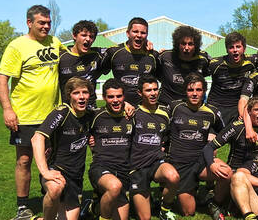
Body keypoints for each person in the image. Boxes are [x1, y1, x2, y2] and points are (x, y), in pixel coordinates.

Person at [0, 4, 65, 220]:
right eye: (41, 23)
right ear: (29, 23)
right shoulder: (17, 46)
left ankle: (52, 199)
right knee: (24, 160)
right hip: (25, 116)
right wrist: (7, 109)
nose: (46, 27)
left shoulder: (55, 43)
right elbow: (1, 78)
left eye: (48, 23)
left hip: (52, 116)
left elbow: (76, 56)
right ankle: (23, 207)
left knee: (52, 161)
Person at [165, 73, 232, 218]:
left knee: (226, 173)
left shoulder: (212, 112)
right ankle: (188, 190)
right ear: (185, 91)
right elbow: (157, 120)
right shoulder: (174, 107)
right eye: (190, 90)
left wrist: (213, 136)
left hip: (201, 161)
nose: (194, 94)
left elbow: (226, 131)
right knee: (189, 212)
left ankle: (214, 202)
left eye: (198, 90)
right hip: (180, 164)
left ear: (204, 92)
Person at [31, 77, 94, 220]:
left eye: (85, 92)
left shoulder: (90, 115)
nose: (82, 97)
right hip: (56, 169)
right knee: (55, 188)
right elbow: (37, 138)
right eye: (76, 93)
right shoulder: (62, 112)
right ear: (69, 95)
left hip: (76, 176)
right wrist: (45, 171)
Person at [129, 75, 180, 220]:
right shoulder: (132, 113)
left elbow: (170, 135)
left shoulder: (165, 113)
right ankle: (139, 198)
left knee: (173, 177)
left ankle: (164, 209)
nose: (153, 93)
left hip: (156, 162)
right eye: (148, 90)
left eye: (155, 89)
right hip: (137, 166)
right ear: (140, 93)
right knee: (145, 217)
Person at [88, 78, 132, 220]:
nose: (115, 100)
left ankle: (95, 205)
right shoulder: (95, 116)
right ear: (104, 97)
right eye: (111, 97)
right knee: (114, 186)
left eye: (119, 96)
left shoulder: (131, 115)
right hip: (101, 167)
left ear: (124, 97)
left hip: (124, 170)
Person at [203, 95, 258, 170]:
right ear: (249, 112)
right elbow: (210, 147)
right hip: (235, 170)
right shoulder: (236, 127)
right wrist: (212, 164)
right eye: (256, 110)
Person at [102, 17, 158, 105]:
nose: (139, 35)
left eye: (143, 33)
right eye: (135, 31)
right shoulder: (114, 52)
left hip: (143, 109)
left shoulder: (153, 56)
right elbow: (99, 70)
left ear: (147, 35)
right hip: (120, 107)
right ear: (128, 33)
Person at [208, 32, 256, 125]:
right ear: (226, 50)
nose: (235, 50)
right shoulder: (215, 64)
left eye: (238, 47)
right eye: (231, 47)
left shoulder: (252, 62)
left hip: (236, 108)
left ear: (244, 49)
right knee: (211, 137)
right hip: (215, 106)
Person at [156, 25, 211, 105]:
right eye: (183, 43)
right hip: (166, 105)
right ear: (177, 44)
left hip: (191, 108)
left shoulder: (203, 59)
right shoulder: (165, 56)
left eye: (190, 44)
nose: (186, 47)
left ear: (196, 46)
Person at [58, 20, 103, 109]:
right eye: (84, 35)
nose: (88, 39)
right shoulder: (61, 57)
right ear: (74, 36)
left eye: (91, 36)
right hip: (68, 112)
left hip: (90, 111)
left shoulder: (98, 55)